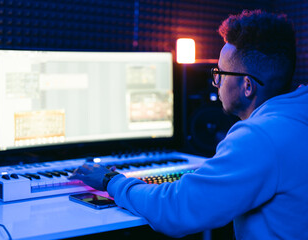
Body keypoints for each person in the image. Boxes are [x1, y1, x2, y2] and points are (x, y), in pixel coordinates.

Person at [69, 9, 308, 239]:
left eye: (220, 73)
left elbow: (175, 209)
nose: (216, 82)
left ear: (248, 86)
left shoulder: (259, 137)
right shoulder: (298, 114)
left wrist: (111, 180)